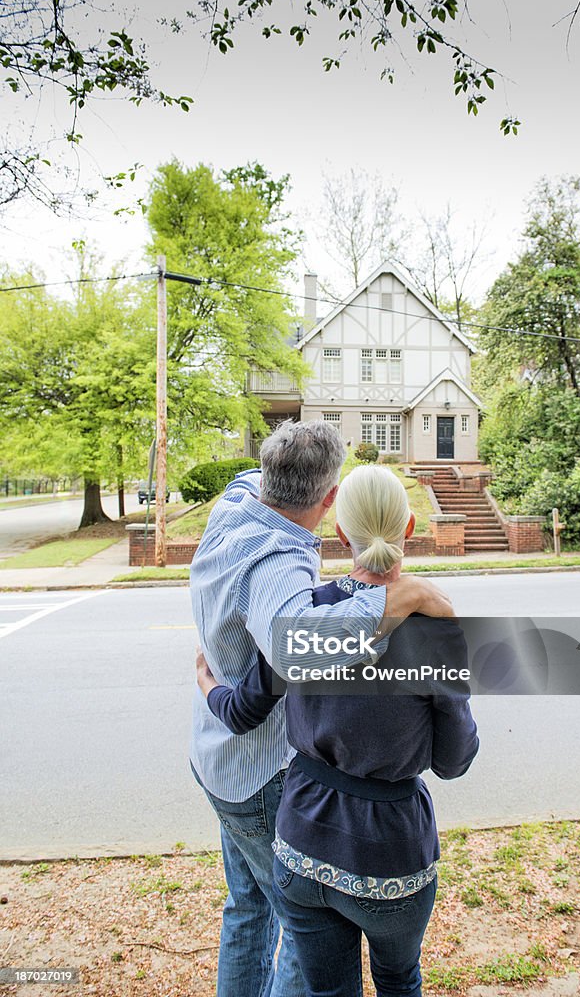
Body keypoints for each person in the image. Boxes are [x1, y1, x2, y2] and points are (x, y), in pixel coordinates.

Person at [190, 420, 455, 997]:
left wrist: (214, 694)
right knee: (298, 930)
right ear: (328, 501)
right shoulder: (282, 568)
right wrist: (402, 595)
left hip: (217, 755)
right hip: (260, 774)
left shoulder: (237, 502)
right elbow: (295, 651)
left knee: (248, 908)